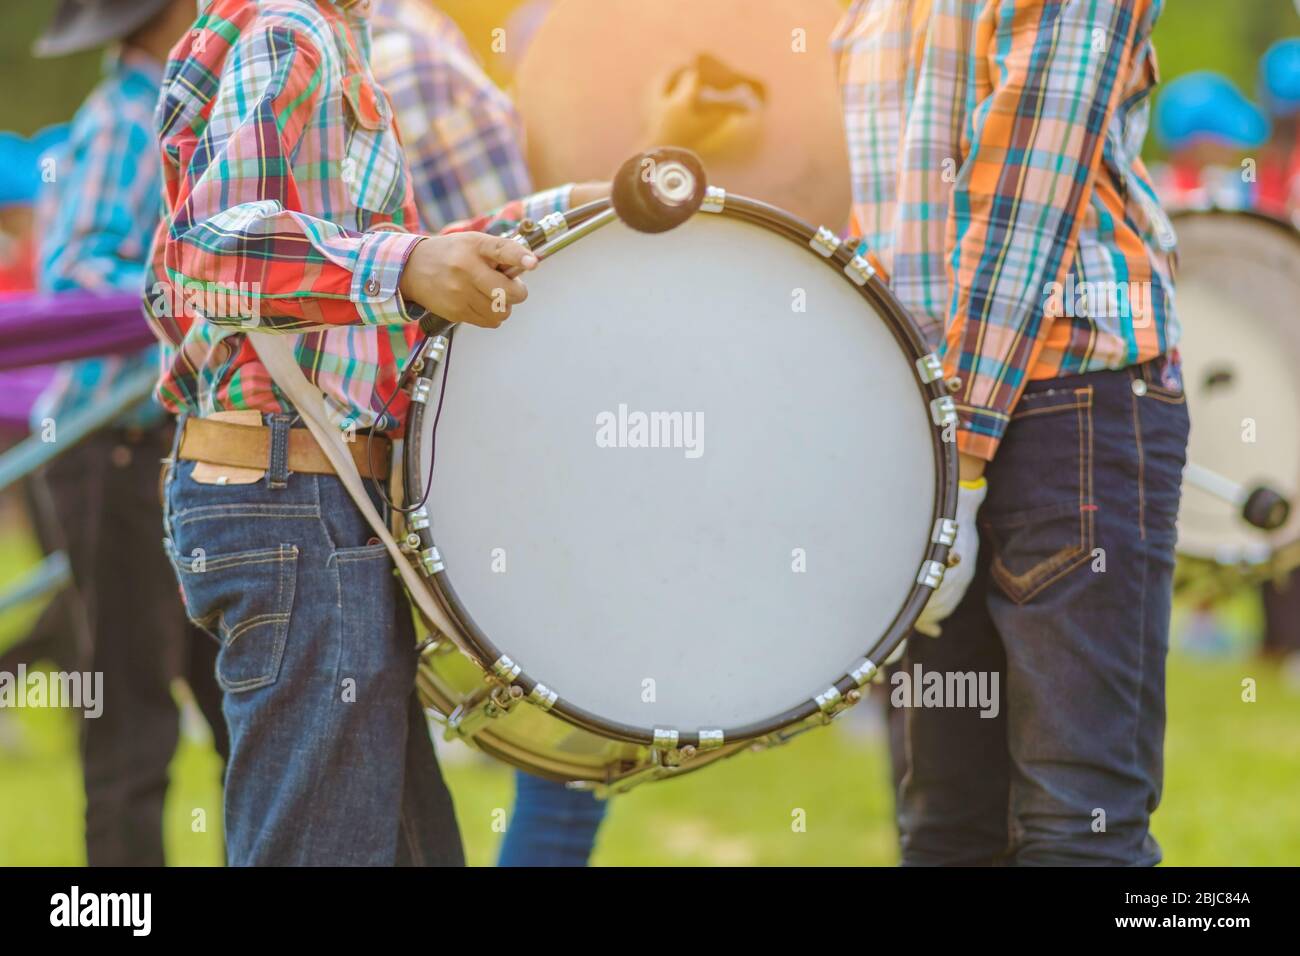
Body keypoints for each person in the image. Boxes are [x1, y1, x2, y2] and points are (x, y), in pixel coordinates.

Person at [147, 0, 606, 866]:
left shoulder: (330, 33)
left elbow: (357, 264)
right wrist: (407, 265)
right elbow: (206, 251)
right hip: (293, 497)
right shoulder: (288, 29)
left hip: (313, 499)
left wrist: (562, 213)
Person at [834, 0, 1187, 865]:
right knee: (1050, 823)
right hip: (1035, 403)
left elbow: (1010, 202)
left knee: (985, 823)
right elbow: (1007, 199)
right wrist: (951, 459)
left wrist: (951, 460)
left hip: (985, 411)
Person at [369, 0, 608, 867]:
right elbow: (518, 271)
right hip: (499, 432)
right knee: (575, 742)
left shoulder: (393, 44)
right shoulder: (418, 56)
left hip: (423, 441)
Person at [30, 0, 230, 866]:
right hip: (114, 447)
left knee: (230, 706)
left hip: (158, 445)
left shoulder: (166, 112)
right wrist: (209, 293)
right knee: (131, 718)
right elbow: (75, 277)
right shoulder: (129, 121)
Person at [1150, 72, 1269, 210]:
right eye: (1225, 141)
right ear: (1198, 143)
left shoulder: (1237, 188)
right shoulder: (1159, 193)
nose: (1234, 149)